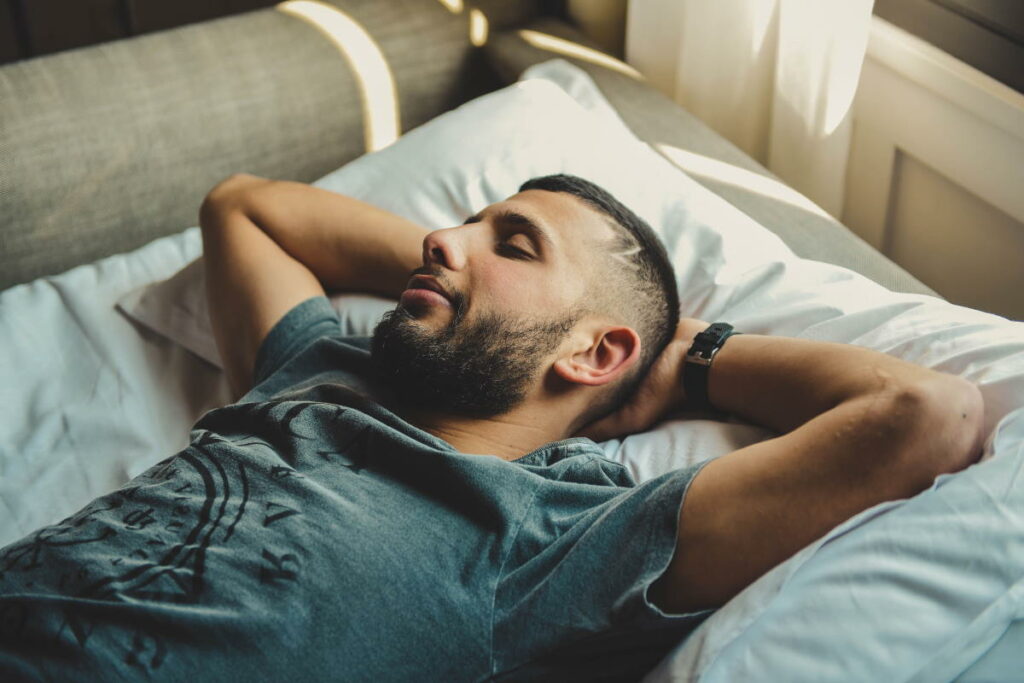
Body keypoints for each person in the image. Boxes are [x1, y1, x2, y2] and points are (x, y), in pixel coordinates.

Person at [0, 173, 984, 681]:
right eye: (467, 222)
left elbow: (926, 412)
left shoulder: (560, 540)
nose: (440, 236)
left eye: (511, 241)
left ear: (595, 354)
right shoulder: (320, 369)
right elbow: (246, 207)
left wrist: (678, 357)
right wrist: (461, 274)